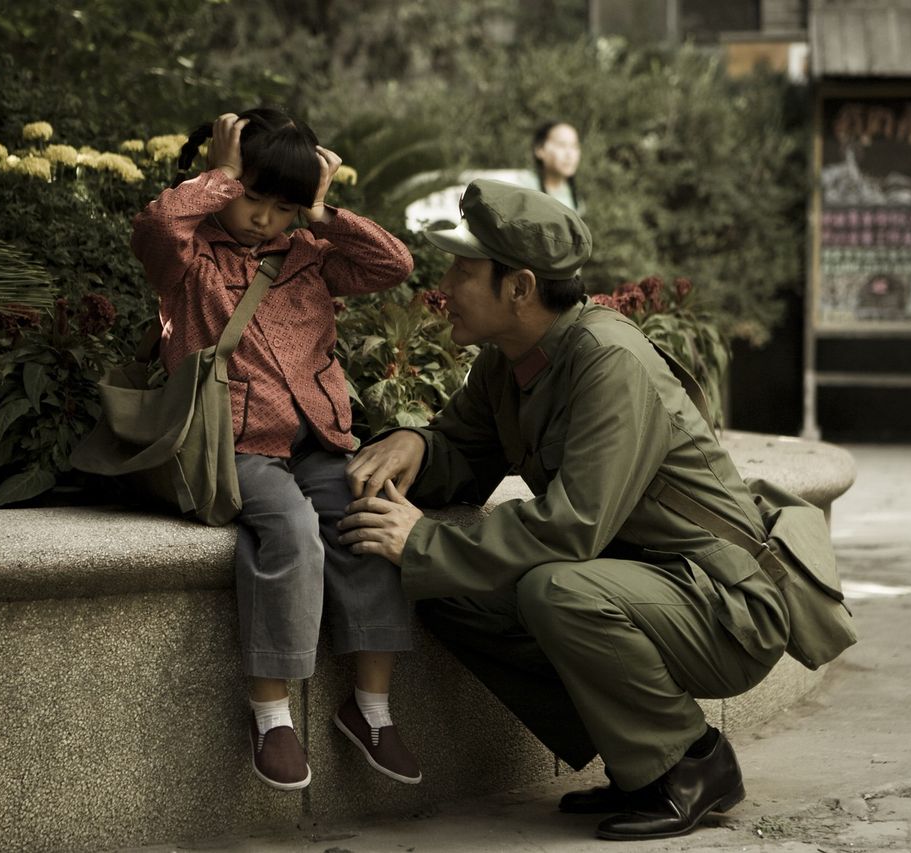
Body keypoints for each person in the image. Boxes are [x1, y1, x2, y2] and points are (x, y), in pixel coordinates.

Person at [336, 179, 790, 840]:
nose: (447, 283)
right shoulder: (509, 361)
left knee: (552, 586)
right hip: (644, 583)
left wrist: (423, 543)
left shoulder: (609, 363)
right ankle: (635, 753)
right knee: (443, 586)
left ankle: (692, 762)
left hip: (726, 604)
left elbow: (573, 526)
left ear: (519, 288)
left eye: (465, 269)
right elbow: (463, 450)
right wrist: (415, 442)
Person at [130, 107, 422, 792]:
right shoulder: (189, 258)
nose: (264, 217)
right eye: (253, 198)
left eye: (281, 205)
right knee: (291, 531)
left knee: (372, 516)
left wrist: (321, 212)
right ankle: (271, 714)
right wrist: (222, 176)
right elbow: (153, 228)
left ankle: (371, 707)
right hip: (232, 445)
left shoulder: (309, 257)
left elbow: (394, 264)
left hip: (318, 441)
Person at [512, 120, 582, 212]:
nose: (569, 154)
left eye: (574, 146)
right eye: (561, 145)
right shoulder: (519, 186)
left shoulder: (575, 199)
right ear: (539, 150)